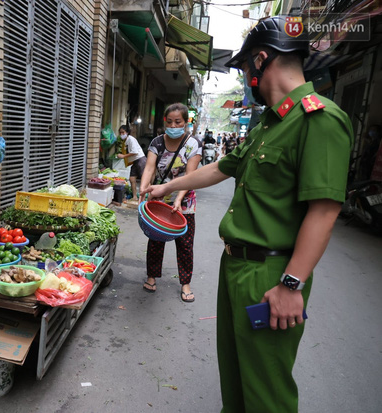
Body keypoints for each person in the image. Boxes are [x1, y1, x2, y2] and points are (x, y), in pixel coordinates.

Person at [141, 16, 352, 413]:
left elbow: (324, 211)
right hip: (234, 267)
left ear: (260, 61)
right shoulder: (267, 124)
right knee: (236, 380)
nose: (243, 78)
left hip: (271, 276)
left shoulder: (319, 119)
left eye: (242, 69)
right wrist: (168, 187)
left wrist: (291, 285)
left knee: (266, 394)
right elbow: (223, 167)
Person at [139, 103, 201, 301]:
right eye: (170, 121)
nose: (173, 125)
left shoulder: (194, 144)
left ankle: (185, 283)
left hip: (185, 203)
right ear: (165, 121)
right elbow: (149, 168)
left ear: (186, 122)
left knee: (185, 243)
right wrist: (143, 188)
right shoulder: (157, 142)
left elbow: (190, 176)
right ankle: (151, 277)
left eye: (178, 122)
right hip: (159, 199)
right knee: (156, 239)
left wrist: (180, 199)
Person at [117, 124, 146, 203]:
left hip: (140, 159)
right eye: (120, 133)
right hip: (135, 161)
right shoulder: (125, 141)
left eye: (123, 132)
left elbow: (134, 152)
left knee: (145, 179)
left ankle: (148, 197)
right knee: (132, 179)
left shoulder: (131, 139)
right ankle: (134, 197)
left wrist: (123, 156)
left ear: (127, 132)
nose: (121, 134)